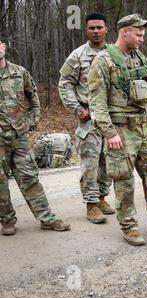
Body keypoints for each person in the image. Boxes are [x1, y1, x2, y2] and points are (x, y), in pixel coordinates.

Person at [88, 14, 147, 246]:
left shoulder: (140, 58)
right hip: (120, 130)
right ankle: (129, 227)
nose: (142, 39)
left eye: (142, 34)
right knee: (124, 181)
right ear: (124, 32)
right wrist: (109, 133)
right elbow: (96, 102)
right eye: (138, 34)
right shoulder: (103, 61)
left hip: (145, 127)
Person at [0, 40, 70, 236]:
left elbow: (33, 98)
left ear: (4, 46)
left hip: (19, 136)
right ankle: (7, 220)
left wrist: (31, 121)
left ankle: (46, 218)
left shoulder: (19, 72)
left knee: (29, 177)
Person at [59, 13, 114, 224]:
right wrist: (76, 109)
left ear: (106, 29)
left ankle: (101, 198)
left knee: (108, 163)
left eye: (99, 27)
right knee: (90, 163)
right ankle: (91, 205)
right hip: (88, 118)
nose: (96, 31)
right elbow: (64, 83)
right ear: (86, 29)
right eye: (92, 28)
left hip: (110, 118)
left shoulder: (114, 53)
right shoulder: (78, 55)